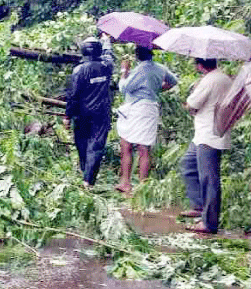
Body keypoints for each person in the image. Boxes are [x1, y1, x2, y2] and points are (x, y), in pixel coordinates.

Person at [115, 45, 178, 193]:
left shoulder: (140, 69)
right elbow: (173, 81)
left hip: (136, 108)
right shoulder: (160, 68)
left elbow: (124, 88)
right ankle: (143, 186)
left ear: (137, 55)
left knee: (126, 145)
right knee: (144, 148)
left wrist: (124, 71)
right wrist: (157, 89)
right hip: (150, 108)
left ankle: (125, 182)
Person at [179, 58, 232, 234]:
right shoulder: (224, 78)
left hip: (208, 135)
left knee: (209, 179)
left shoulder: (209, 80)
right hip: (207, 133)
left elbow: (192, 104)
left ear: (199, 65)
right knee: (188, 164)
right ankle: (199, 204)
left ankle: (209, 223)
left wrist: (191, 95)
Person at [64, 35, 114, 187]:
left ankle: (85, 176)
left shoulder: (79, 70)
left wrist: (67, 115)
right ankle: (88, 180)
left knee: (82, 144)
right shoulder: (107, 67)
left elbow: (73, 95)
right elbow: (109, 55)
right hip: (102, 113)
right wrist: (107, 41)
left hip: (82, 113)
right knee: (96, 146)